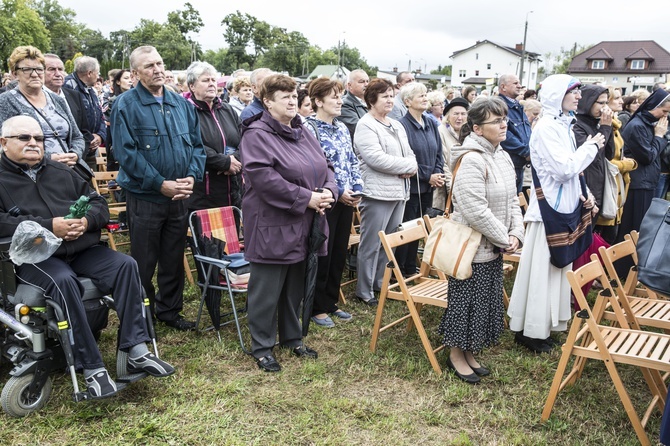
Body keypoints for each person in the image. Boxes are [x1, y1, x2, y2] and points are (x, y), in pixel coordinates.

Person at [0, 115, 175, 398]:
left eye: (39, 138)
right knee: (63, 281)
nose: (34, 143)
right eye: (25, 138)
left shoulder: (61, 171)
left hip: (80, 247)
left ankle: (136, 348)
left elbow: (98, 203)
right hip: (35, 256)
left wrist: (87, 222)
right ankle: (91, 367)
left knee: (125, 265)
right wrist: (48, 226)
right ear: (3, 142)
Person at [240, 74, 338, 372]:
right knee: (267, 289)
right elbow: (264, 178)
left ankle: (292, 339)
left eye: (294, 94)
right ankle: (262, 346)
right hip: (273, 222)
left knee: (295, 284)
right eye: (284, 96)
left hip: (306, 222)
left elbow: (326, 165)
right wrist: (305, 197)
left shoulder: (303, 130)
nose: (292, 100)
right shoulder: (256, 134)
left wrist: (328, 192)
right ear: (267, 101)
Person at [110, 46, 206, 331]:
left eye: (160, 63)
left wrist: (192, 175)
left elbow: (197, 146)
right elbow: (126, 154)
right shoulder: (125, 105)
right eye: (149, 66)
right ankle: (142, 314)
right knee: (144, 260)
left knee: (173, 256)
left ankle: (170, 310)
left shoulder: (181, 104)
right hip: (146, 197)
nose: (157, 69)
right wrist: (158, 183)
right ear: (135, 73)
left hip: (179, 196)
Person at [508, 75, 604, 353]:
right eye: (573, 92)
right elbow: (563, 170)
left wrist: (583, 194)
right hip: (548, 211)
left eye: (577, 93)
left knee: (557, 271)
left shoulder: (563, 124)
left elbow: (572, 173)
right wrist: (591, 147)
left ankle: (545, 326)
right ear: (556, 95)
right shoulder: (548, 127)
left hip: (563, 207)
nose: (577, 97)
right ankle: (531, 331)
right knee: (542, 273)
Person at [437, 98, 524, 384]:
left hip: (495, 245)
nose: (503, 125)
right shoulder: (472, 158)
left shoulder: (502, 155)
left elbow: (513, 199)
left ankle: (470, 351)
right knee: (465, 303)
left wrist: (516, 234)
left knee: (484, 303)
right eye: (496, 121)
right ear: (476, 128)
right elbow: (475, 210)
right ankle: (455, 355)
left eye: (504, 119)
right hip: (472, 248)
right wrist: (503, 238)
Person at [305, 78, 364, 328]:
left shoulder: (341, 128)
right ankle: (316, 306)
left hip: (347, 199)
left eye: (340, 96)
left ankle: (330, 302)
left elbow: (351, 160)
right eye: (334, 97)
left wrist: (358, 188)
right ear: (318, 101)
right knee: (323, 253)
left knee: (340, 251)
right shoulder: (308, 129)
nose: (340, 101)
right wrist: (338, 191)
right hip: (325, 199)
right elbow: (313, 168)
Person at [353, 78, 418, 306]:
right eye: (385, 96)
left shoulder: (397, 124)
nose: (390, 100)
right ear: (372, 100)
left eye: (392, 95)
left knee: (388, 242)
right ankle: (364, 291)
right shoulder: (366, 124)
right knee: (371, 243)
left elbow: (410, 153)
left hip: (399, 192)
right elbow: (375, 159)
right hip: (377, 193)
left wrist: (410, 165)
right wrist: (408, 166)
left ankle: (380, 283)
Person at [0, 46, 87, 174]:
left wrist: (75, 154)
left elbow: (77, 136)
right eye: (27, 69)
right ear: (14, 74)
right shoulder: (5, 101)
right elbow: (5, 145)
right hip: (29, 176)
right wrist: (47, 158)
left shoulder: (58, 100)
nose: (35, 74)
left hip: (67, 173)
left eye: (39, 69)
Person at [615, 88, 670, 275]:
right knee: (634, 228)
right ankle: (625, 269)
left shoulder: (648, 124)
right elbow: (648, 156)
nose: (665, 116)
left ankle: (632, 268)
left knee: (641, 228)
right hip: (638, 184)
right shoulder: (638, 125)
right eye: (664, 112)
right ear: (653, 107)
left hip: (646, 182)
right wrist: (659, 136)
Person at [396, 83, 444, 276]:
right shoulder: (402, 125)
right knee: (408, 227)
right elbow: (405, 158)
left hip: (429, 187)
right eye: (420, 96)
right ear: (408, 101)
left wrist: (437, 173)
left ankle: (410, 266)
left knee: (420, 225)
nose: (425, 98)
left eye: (426, 95)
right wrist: (427, 176)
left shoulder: (431, 122)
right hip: (412, 187)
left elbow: (439, 152)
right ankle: (399, 270)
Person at [183, 61, 242, 212]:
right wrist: (223, 162)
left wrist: (235, 158)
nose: (211, 84)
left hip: (233, 186)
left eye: (213, 80)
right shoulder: (186, 112)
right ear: (192, 86)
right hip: (205, 191)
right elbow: (190, 143)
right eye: (205, 80)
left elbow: (245, 140)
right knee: (210, 235)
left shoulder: (227, 109)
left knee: (234, 234)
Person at [596, 86, 637, 244]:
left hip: (617, 186)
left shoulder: (616, 124)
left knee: (610, 237)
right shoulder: (605, 125)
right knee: (602, 240)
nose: (622, 101)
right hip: (607, 186)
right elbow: (605, 160)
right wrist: (627, 164)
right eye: (617, 98)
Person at [42, 53, 93, 163]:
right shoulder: (35, 98)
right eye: (51, 69)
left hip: (75, 163)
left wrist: (76, 156)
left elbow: (85, 132)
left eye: (60, 69)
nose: (58, 74)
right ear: (40, 72)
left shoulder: (75, 96)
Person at [573, 84, 614, 220]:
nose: (604, 108)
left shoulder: (598, 123)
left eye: (606, 103)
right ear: (587, 102)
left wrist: (607, 127)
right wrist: (605, 128)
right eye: (600, 103)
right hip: (584, 189)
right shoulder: (576, 125)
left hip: (598, 188)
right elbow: (592, 156)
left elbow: (610, 153)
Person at [63, 56, 107, 167]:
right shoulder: (68, 88)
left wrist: (100, 136)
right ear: (89, 73)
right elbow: (71, 120)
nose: (98, 77)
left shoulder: (91, 90)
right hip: (75, 151)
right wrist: (87, 139)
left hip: (91, 149)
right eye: (97, 73)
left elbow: (100, 115)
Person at [433, 97, 469, 211]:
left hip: (466, 190)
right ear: (448, 116)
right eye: (456, 114)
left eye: (463, 114)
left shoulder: (470, 133)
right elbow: (442, 162)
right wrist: (452, 188)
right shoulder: (441, 131)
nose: (460, 118)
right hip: (447, 190)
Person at [498, 74, 532, 193]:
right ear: (503, 87)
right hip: (508, 165)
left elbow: (526, 131)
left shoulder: (518, 105)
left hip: (519, 164)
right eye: (515, 83)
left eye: (519, 83)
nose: (520, 86)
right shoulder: (499, 105)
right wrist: (525, 152)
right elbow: (504, 134)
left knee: (515, 203)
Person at [340, 69, 369, 140]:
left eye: (367, 81)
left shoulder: (370, 102)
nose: (366, 85)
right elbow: (359, 129)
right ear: (349, 85)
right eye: (361, 82)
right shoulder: (344, 104)